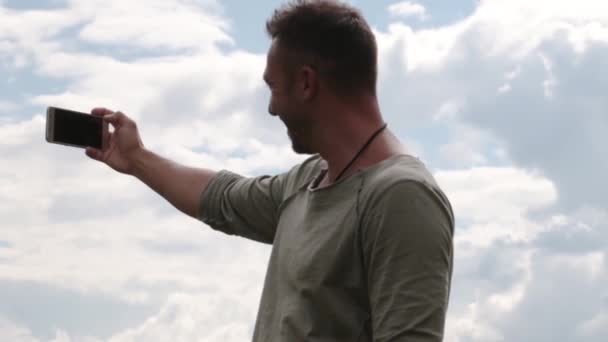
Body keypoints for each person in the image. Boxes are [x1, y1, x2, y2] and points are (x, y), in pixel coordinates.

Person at [86, 0, 454, 341]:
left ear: (306, 83)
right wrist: (135, 158)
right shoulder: (307, 180)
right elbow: (222, 198)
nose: (271, 109)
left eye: (273, 88)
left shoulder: (401, 196)